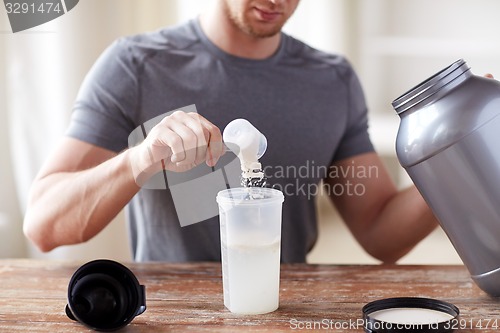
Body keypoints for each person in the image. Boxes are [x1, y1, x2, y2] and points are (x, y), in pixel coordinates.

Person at [23, 0, 438, 263]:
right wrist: (141, 158)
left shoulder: (332, 80)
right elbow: (43, 226)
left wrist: (455, 157)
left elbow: (381, 234)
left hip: (285, 312)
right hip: (171, 317)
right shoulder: (136, 66)